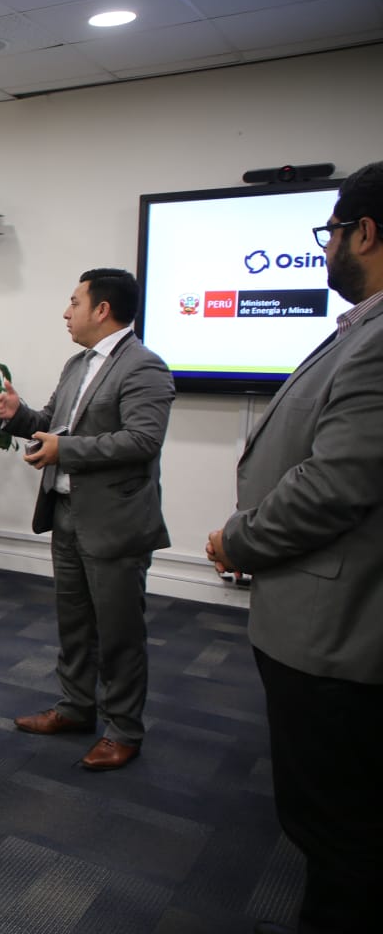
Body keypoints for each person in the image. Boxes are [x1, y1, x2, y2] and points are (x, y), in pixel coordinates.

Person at [207, 161, 383, 934]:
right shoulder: (362, 329)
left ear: (364, 233)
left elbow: (336, 484)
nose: (326, 248)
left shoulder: (377, 341)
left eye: (330, 232)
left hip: (337, 630)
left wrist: (238, 538)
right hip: (332, 616)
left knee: (338, 827)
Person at [0, 268, 174, 771]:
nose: (66, 312)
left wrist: (65, 449)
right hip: (67, 514)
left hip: (115, 522)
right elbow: (52, 425)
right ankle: (75, 707)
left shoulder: (144, 367)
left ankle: (123, 730)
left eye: (74, 302)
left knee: (118, 633)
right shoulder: (78, 363)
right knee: (74, 623)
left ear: (102, 309)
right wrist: (18, 415)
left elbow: (143, 440)